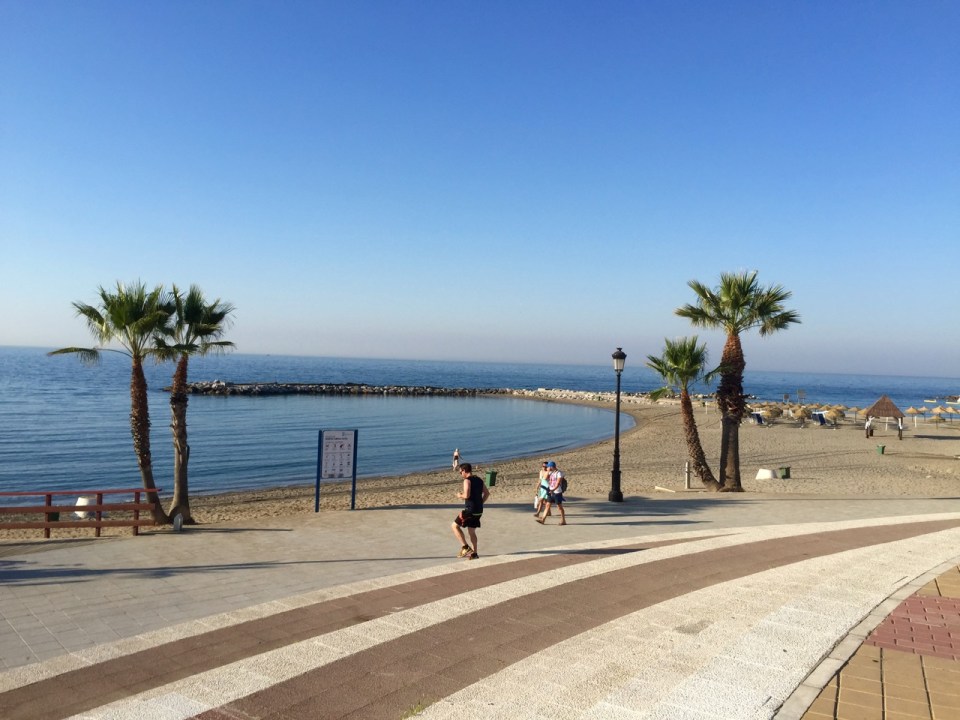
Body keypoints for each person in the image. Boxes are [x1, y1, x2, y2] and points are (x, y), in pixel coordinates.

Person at [452, 462, 489, 560]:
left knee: (454, 526)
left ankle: (465, 547)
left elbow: (467, 495)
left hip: (470, 510)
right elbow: (487, 493)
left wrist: (460, 495)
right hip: (479, 510)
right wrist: (480, 503)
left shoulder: (467, 481)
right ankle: (474, 554)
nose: (461, 474)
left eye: (460, 472)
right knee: (471, 531)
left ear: (464, 470)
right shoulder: (479, 480)